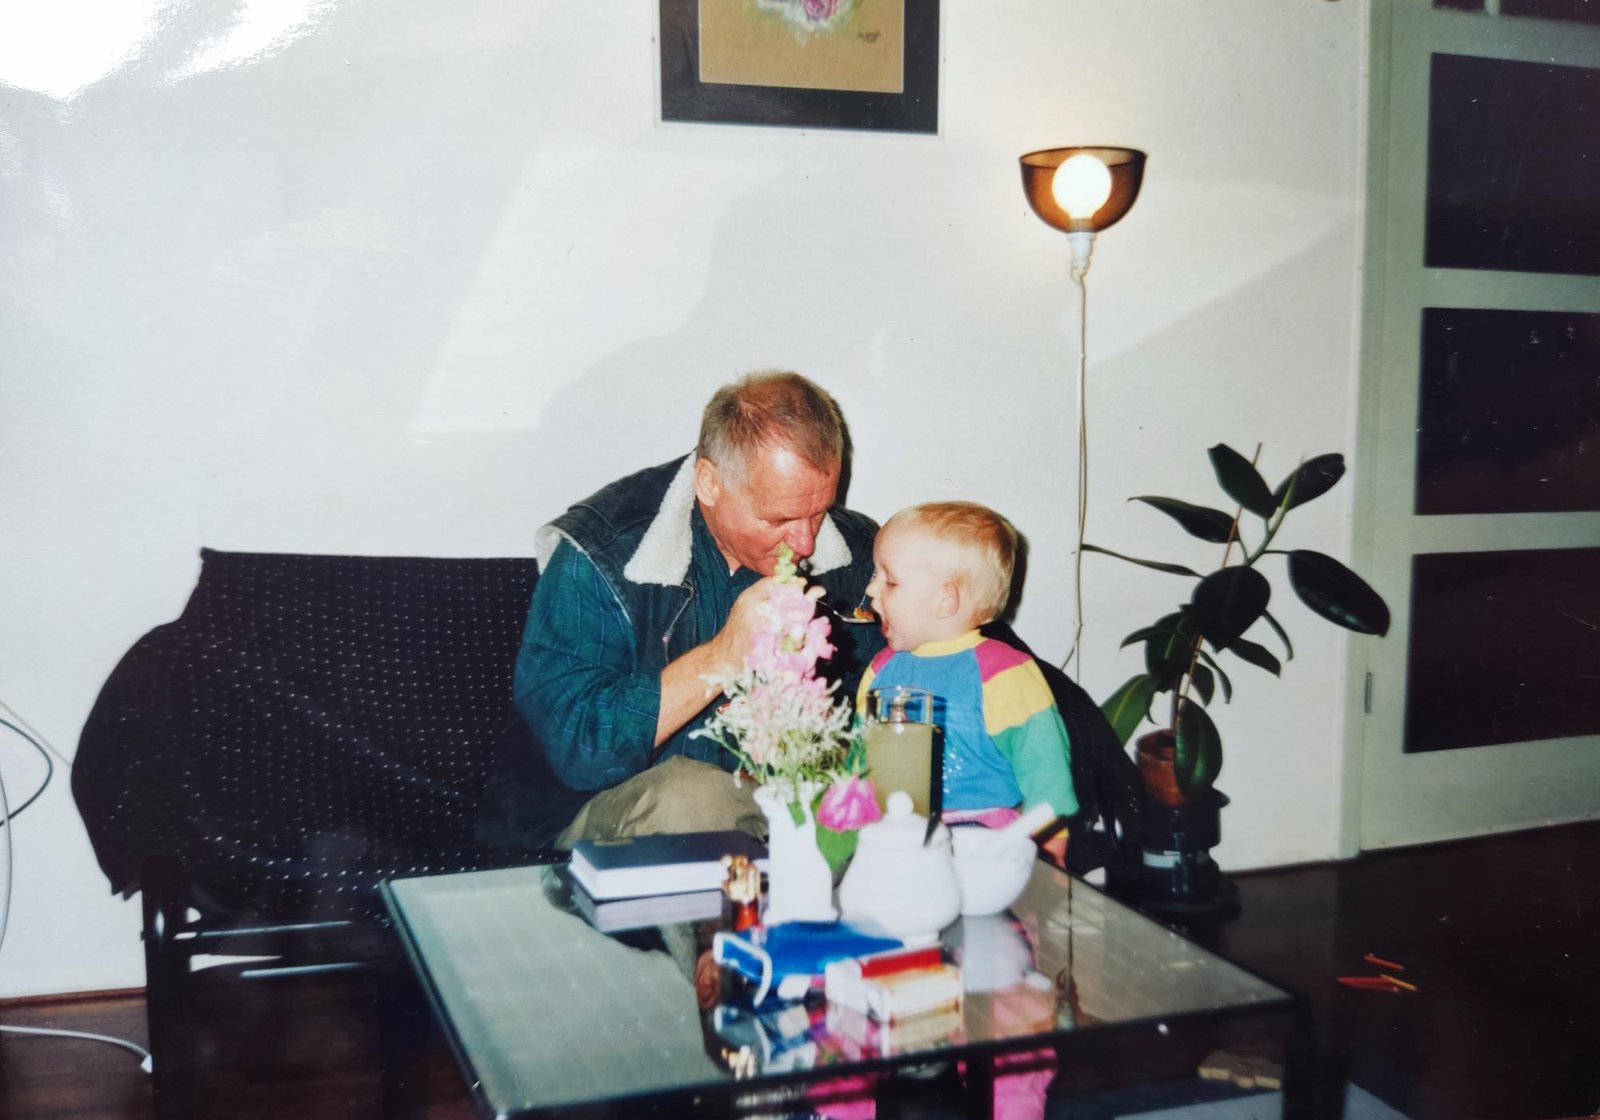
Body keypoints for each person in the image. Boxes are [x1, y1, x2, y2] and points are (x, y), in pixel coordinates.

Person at [485, 371, 882, 851]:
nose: (806, 542)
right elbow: (579, 752)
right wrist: (721, 658)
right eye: (779, 520)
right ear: (710, 483)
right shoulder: (601, 554)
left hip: (777, 804)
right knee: (697, 799)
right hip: (592, 814)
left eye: (818, 512)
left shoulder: (853, 550)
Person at [856, 501, 1078, 857]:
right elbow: (858, 766)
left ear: (945, 599)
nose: (870, 591)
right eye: (874, 575)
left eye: (890, 581)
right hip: (897, 844)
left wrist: (1053, 854)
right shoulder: (880, 672)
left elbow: (1047, 778)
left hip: (986, 848)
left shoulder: (1005, 674)